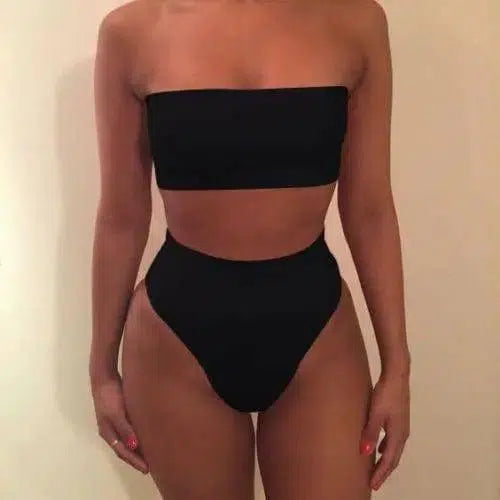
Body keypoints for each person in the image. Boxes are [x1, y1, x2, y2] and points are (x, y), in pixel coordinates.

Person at [89, 0, 411, 498]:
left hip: (317, 331)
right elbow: (121, 218)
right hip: (177, 335)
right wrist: (102, 372)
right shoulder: (133, 31)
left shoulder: (355, 21)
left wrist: (397, 368)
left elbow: (369, 209)